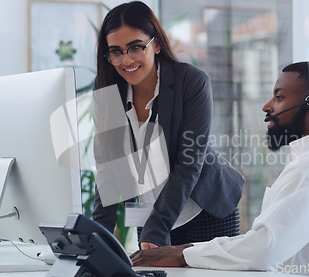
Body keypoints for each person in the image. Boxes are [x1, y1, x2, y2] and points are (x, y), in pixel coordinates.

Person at [130, 61, 309, 275]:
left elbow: (263, 248)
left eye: (279, 97)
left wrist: (183, 254)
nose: (267, 106)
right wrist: (187, 250)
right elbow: (262, 243)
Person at [91, 1, 244, 250]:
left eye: (136, 48)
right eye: (116, 51)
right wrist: (98, 235)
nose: (125, 60)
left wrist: (156, 228)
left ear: (157, 44)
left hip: (203, 210)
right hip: (150, 213)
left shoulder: (192, 81)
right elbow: (109, 165)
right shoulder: (106, 87)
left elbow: (189, 162)